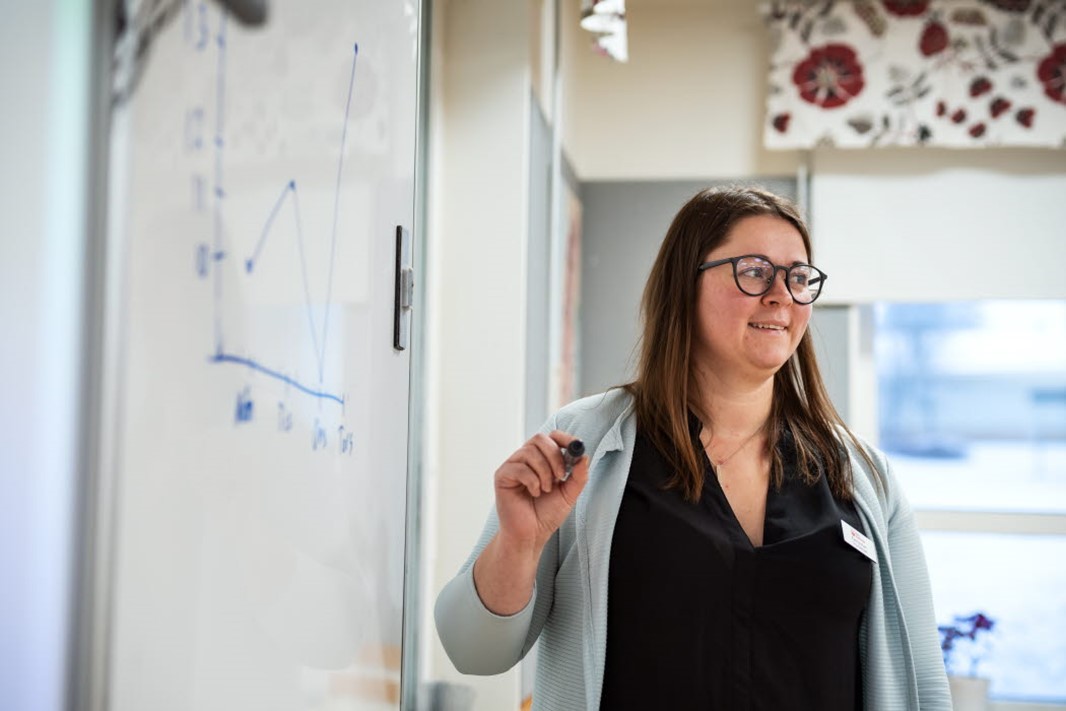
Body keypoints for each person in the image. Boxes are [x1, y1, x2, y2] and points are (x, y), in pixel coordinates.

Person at [435, 186, 950, 710]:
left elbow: (925, 685)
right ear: (685, 285)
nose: (781, 296)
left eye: (798, 278)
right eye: (754, 271)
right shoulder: (587, 443)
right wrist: (519, 546)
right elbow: (473, 651)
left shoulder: (865, 478)